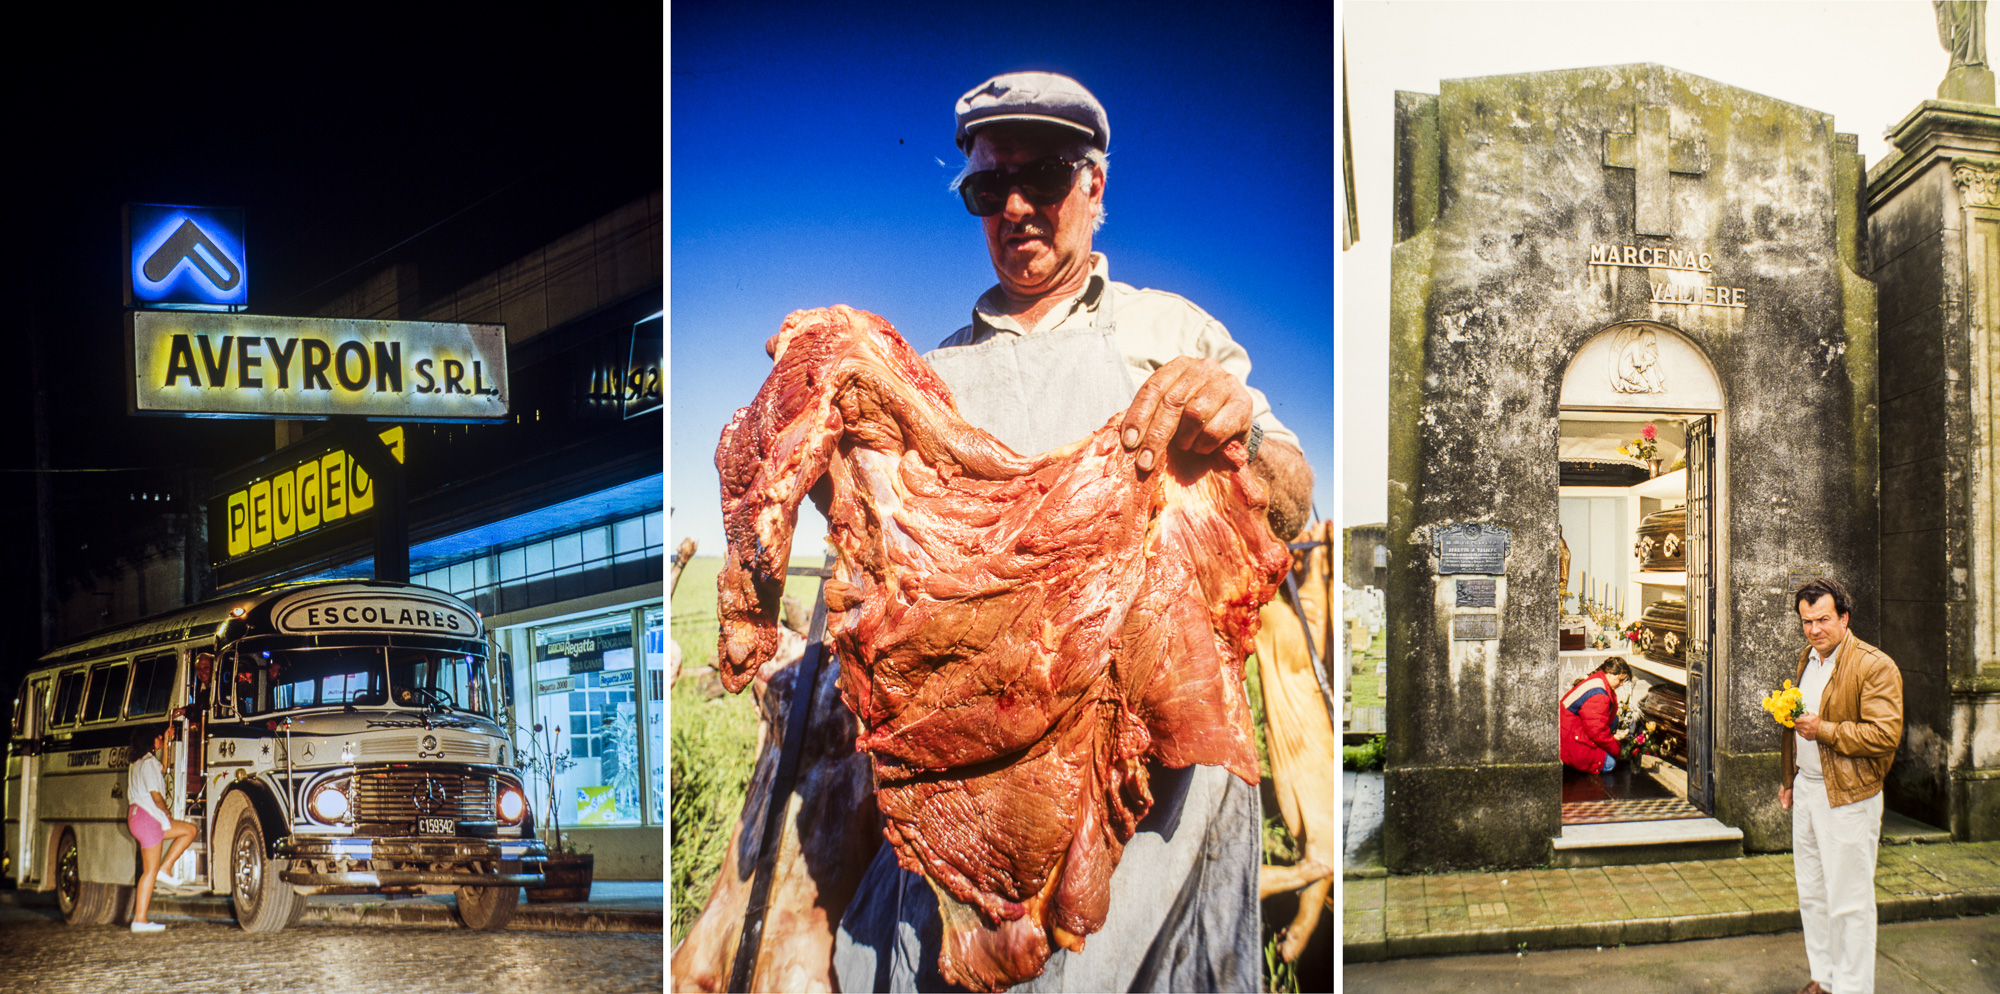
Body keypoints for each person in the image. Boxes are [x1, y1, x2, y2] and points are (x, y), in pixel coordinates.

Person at [830, 71, 1314, 993]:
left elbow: (1292, 504)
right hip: (978, 785)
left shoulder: (1169, 331)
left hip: (1157, 783)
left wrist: (1238, 427)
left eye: (1044, 177)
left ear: (1095, 185)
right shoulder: (930, 381)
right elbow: (871, 585)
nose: (1015, 206)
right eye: (986, 187)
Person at [1780, 577, 1903, 994]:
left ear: (1844, 617)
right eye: (1807, 621)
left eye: (1824, 619)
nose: (1815, 629)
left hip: (1850, 796)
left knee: (1849, 900)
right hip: (1808, 789)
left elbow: (1884, 735)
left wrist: (1826, 730)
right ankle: (1825, 978)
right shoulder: (1807, 660)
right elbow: (1793, 727)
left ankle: (1853, 987)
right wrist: (1789, 780)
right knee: (1812, 892)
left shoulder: (1874, 665)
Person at [127, 722, 198, 933]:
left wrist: (167, 742)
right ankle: (140, 919)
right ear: (151, 741)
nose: (159, 739)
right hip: (148, 818)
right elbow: (156, 795)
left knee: (189, 830)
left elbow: (164, 768)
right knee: (149, 872)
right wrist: (166, 811)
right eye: (158, 737)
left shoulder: (140, 762)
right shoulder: (148, 763)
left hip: (139, 818)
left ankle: (164, 869)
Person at [1559, 658, 1631, 775]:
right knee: (1610, 763)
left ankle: (1598, 750)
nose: (1621, 684)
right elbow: (1596, 732)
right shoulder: (1599, 695)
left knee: (1614, 719)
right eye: (1621, 679)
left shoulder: (1598, 679)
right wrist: (1617, 749)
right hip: (1569, 739)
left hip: (1568, 727)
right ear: (1610, 674)